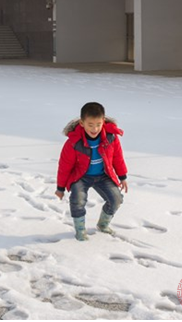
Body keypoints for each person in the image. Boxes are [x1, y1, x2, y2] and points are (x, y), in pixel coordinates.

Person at [55, 102, 128, 241]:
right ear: (82, 123)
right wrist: (60, 187)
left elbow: (117, 157)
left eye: (98, 124)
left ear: (103, 121)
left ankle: (103, 224)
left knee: (116, 199)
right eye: (90, 125)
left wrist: (122, 176)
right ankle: (80, 230)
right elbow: (64, 166)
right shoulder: (73, 142)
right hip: (81, 176)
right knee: (78, 200)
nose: (95, 129)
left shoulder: (111, 137)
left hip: (103, 175)